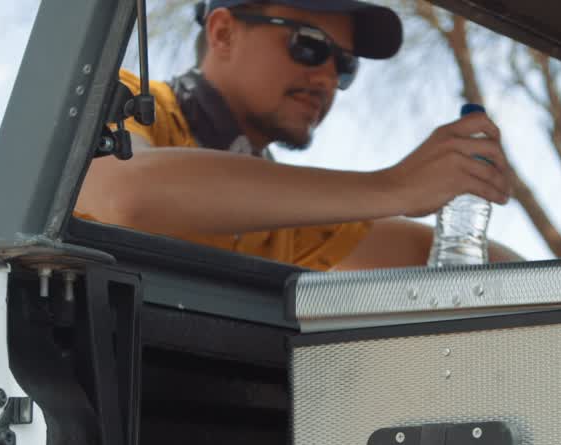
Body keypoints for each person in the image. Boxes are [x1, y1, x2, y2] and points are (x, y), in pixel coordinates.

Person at [75, 0, 520, 270]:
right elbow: (124, 196)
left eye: (344, 65)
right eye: (309, 45)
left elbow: (436, 259)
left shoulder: (276, 210)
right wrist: (394, 186)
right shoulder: (130, 99)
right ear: (224, 32)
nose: (327, 77)